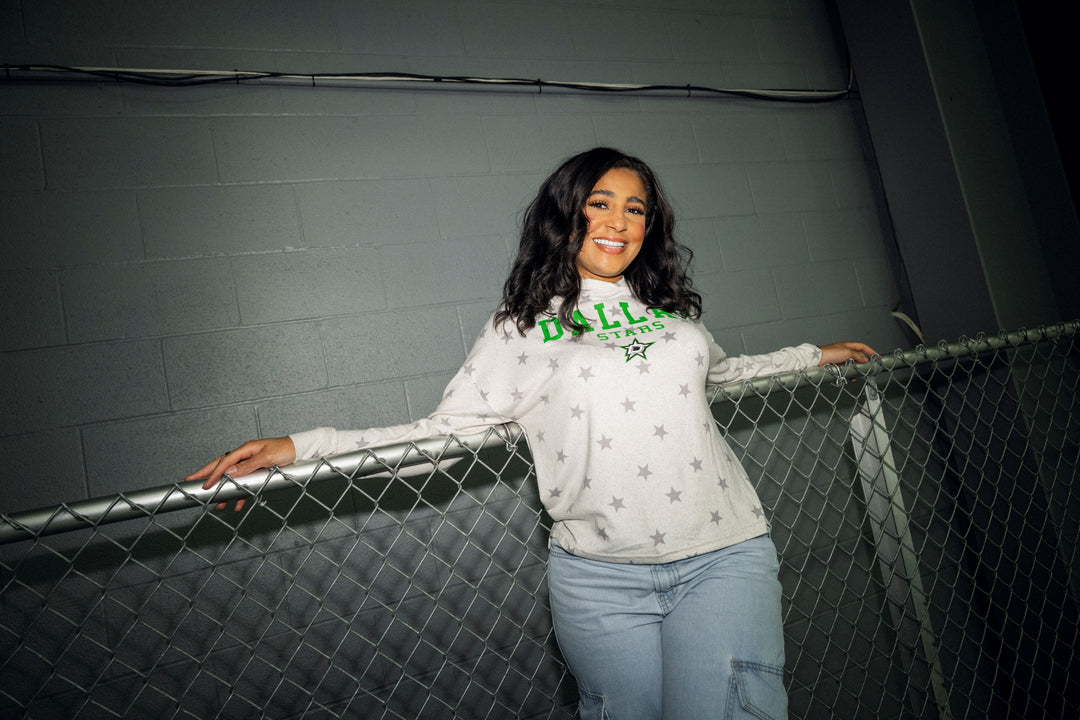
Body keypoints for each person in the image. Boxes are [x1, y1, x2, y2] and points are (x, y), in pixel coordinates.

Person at [187, 147, 875, 719]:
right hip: (599, 582)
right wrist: (302, 450)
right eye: (600, 202)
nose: (618, 221)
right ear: (565, 214)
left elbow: (724, 376)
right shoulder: (518, 327)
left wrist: (816, 355)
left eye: (635, 208)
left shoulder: (673, 315)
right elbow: (438, 438)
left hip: (721, 558)